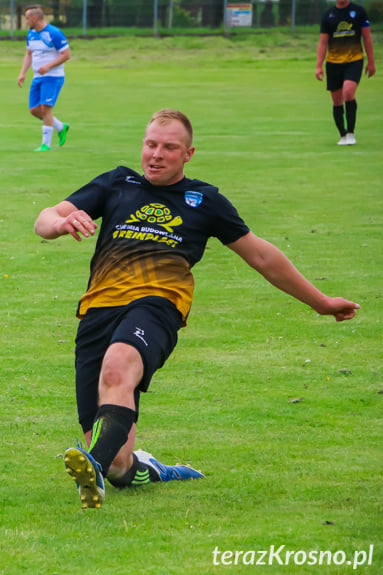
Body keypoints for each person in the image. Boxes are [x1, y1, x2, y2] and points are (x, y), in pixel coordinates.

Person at [34, 109, 359, 509]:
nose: (156, 154)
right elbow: (45, 218)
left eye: (168, 148)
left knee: (119, 366)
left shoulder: (204, 200)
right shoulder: (117, 182)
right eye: (150, 144)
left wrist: (322, 303)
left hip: (157, 305)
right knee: (121, 464)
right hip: (97, 312)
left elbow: (261, 256)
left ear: (188, 154)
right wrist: (60, 224)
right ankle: (136, 467)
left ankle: (91, 467)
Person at [315, 0, 375, 146]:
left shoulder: (359, 12)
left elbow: (367, 38)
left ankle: (351, 133)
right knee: (336, 101)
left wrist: (371, 62)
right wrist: (319, 66)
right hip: (333, 63)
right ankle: (342, 135)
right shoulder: (328, 15)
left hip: (354, 61)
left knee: (348, 92)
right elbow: (323, 42)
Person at [16, 5, 70, 152]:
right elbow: (29, 54)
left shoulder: (54, 33)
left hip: (53, 76)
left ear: (35, 18)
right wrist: (22, 73)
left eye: (27, 18)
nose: (26, 21)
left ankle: (45, 144)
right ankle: (60, 126)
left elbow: (66, 55)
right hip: (37, 77)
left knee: (45, 109)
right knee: (34, 110)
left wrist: (48, 66)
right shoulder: (31, 34)